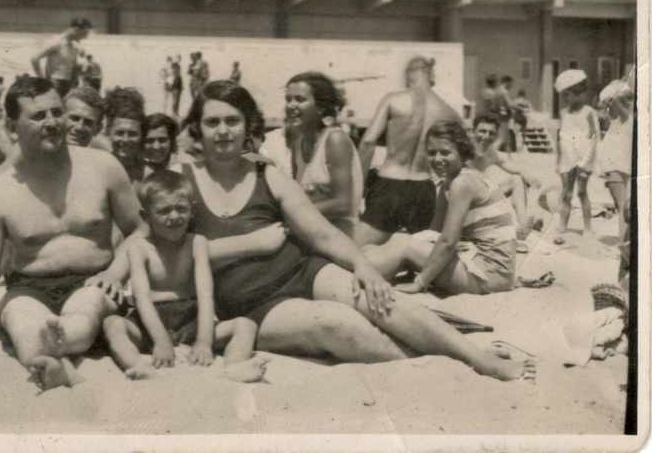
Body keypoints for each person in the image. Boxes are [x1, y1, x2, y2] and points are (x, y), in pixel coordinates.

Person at [146, 80, 533, 381]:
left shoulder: (266, 174)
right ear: (197, 128)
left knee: (378, 299)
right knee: (334, 324)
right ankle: (441, 361)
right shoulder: (180, 181)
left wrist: (362, 268)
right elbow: (160, 255)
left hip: (302, 269)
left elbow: (322, 234)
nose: (223, 131)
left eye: (232, 121)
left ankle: (475, 358)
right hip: (250, 304)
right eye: (212, 122)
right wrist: (247, 243)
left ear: (247, 125)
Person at [0, 77, 143, 391]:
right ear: (12, 127)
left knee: (87, 310)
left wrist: (116, 273)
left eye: (56, 112)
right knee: (23, 325)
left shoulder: (102, 166)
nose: (52, 122)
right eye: (38, 116)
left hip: (93, 279)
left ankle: (54, 346)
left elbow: (140, 230)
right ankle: (52, 363)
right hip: (28, 286)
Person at [102, 171, 267, 382]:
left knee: (245, 325)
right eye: (163, 210)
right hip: (149, 321)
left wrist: (204, 342)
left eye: (181, 208)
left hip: (191, 319)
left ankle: (234, 366)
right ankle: (138, 365)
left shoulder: (196, 243)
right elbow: (142, 299)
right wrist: (160, 341)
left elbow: (206, 295)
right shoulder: (139, 248)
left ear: (192, 211)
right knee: (113, 324)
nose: (174, 216)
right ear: (146, 217)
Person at [364, 121, 517, 295]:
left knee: (405, 245)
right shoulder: (450, 183)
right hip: (484, 266)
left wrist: (420, 282)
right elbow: (434, 232)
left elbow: (447, 242)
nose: (437, 159)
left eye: (445, 152)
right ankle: (361, 265)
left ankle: (357, 272)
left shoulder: (463, 183)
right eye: (431, 153)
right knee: (399, 241)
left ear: (462, 152)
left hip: (489, 274)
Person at [355, 56, 459, 246]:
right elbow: (457, 158)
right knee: (420, 257)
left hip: (390, 186)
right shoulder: (448, 112)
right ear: (431, 77)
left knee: (356, 253)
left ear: (408, 77)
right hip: (423, 188)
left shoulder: (393, 100)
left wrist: (358, 188)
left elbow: (368, 142)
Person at [260, 72, 362, 237]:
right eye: (288, 99)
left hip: (339, 235)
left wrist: (289, 214)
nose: (291, 105)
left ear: (321, 107)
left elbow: (344, 204)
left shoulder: (335, 139)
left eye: (300, 99)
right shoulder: (299, 144)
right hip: (309, 231)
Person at [470, 115, 543, 240]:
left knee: (516, 179)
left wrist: (531, 177)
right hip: (466, 199)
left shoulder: (490, 153)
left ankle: (523, 224)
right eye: (482, 131)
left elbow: (515, 168)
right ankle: (524, 223)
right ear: (473, 131)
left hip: (482, 197)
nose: (486, 136)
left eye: (491, 133)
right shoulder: (465, 149)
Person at [554, 69, 598, 239]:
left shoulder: (588, 112)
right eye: (564, 95)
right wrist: (558, 161)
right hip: (567, 157)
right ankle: (563, 224)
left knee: (581, 192)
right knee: (566, 192)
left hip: (583, 157)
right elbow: (560, 137)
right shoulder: (564, 113)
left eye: (569, 95)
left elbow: (594, 138)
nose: (566, 99)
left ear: (579, 93)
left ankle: (587, 227)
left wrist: (585, 161)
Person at [598, 80, 633, 244]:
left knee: (625, 210)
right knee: (623, 209)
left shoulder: (626, 119)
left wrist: (612, 97)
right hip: (615, 169)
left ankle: (625, 244)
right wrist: (613, 96)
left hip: (619, 169)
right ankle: (624, 247)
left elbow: (617, 101)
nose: (606, 109)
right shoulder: (623, 120)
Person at [31, 18, 92, 97]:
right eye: (84, 34)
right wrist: (42, 79)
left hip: (70, 84)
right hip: (55, 83)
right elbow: (34, 59)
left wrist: (83, 66)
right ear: (76, 30)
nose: (85, 37)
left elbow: (71, 65)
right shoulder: (56, 42)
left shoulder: (75, 45)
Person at [105, 87, 148, 183]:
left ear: (142, 135)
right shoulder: (99, 167)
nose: (125, 139)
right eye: (120, 133)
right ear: (109, 132)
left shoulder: (148, 173)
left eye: (132, 134)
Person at [65, 85, 112, 151]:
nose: (79, 127)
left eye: (88, 122)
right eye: (75, 118)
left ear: (97, 129)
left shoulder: (101, 160)